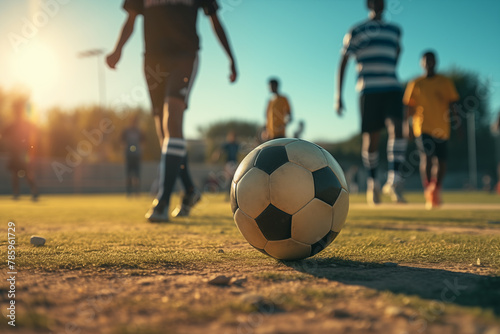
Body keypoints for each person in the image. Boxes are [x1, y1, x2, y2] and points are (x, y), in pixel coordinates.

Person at [107, 0, 237, 222]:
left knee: (172, 123)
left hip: (184, 56)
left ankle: (163, 202)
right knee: (164, 134)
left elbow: (215, 21)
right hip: (152, 60)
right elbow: (130, 20)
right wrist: (118, 49)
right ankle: (189, 191)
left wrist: (231, 59)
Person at [336, 0, 407, 205]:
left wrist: (388, 69)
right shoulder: (357, 31)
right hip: (369, 89)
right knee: (371, 140)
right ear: (368, 4)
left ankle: (394, 180)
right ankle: (373, 182)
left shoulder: (395, 30)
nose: (379, 3)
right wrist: (338, 96)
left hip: (392, 87)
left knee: (398, 129)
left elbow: (397, 51)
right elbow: (344, 60)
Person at [403, 51, 460, 209]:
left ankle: (437, 187)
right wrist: (406, 125)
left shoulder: (445, 82)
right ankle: (428, 188)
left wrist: (458, 124)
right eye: (426, 60)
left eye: (432, 60)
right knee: (427, 157)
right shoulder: (415, 83)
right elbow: (409, 107)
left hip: (442, 128)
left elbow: (454, 104)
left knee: (441, 162)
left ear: (436, 62)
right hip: (422, 127)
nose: (429, 63)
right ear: (422, 63)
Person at [1, 96, 39, 200]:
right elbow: (3, 134)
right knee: (15, 174)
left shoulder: (26, 124)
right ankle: (16, 194)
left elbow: (34, 134)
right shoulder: (12, 125)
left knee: (26, 172)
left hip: (22, 153)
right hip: (15, 153)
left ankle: (34, 192)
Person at [121, 114, 145, 196]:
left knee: (137, 175)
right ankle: (129, 192)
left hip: (136, 156)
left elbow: (143, 143)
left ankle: (137, 191)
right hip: (129, 156)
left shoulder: (139, 131)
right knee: (129, 175)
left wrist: (140, 150)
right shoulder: (126, 131)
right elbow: (122, 142)